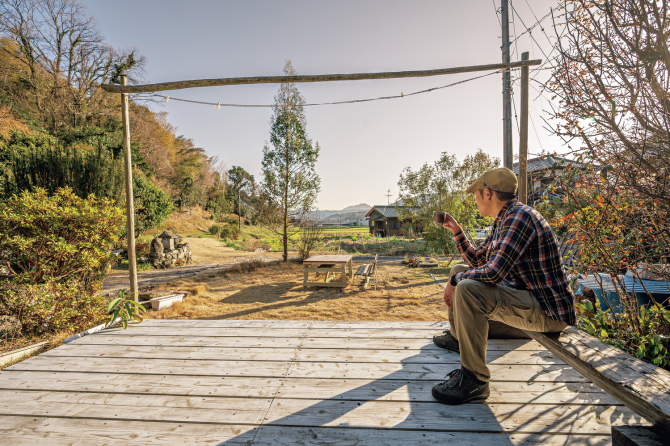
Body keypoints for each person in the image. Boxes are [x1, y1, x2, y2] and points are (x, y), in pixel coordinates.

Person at [431, 167, 575, 405]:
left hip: (547, 311)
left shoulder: (520, 218)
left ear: (488, 194)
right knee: (459, 270)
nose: (474, 199)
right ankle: (459, 339)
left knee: (465, 286)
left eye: (476, 194)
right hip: (526, 301)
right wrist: (458, 232)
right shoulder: (505, 219)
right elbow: (479, 260)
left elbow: (493, 273)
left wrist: (454, 282)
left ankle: (474, 379)